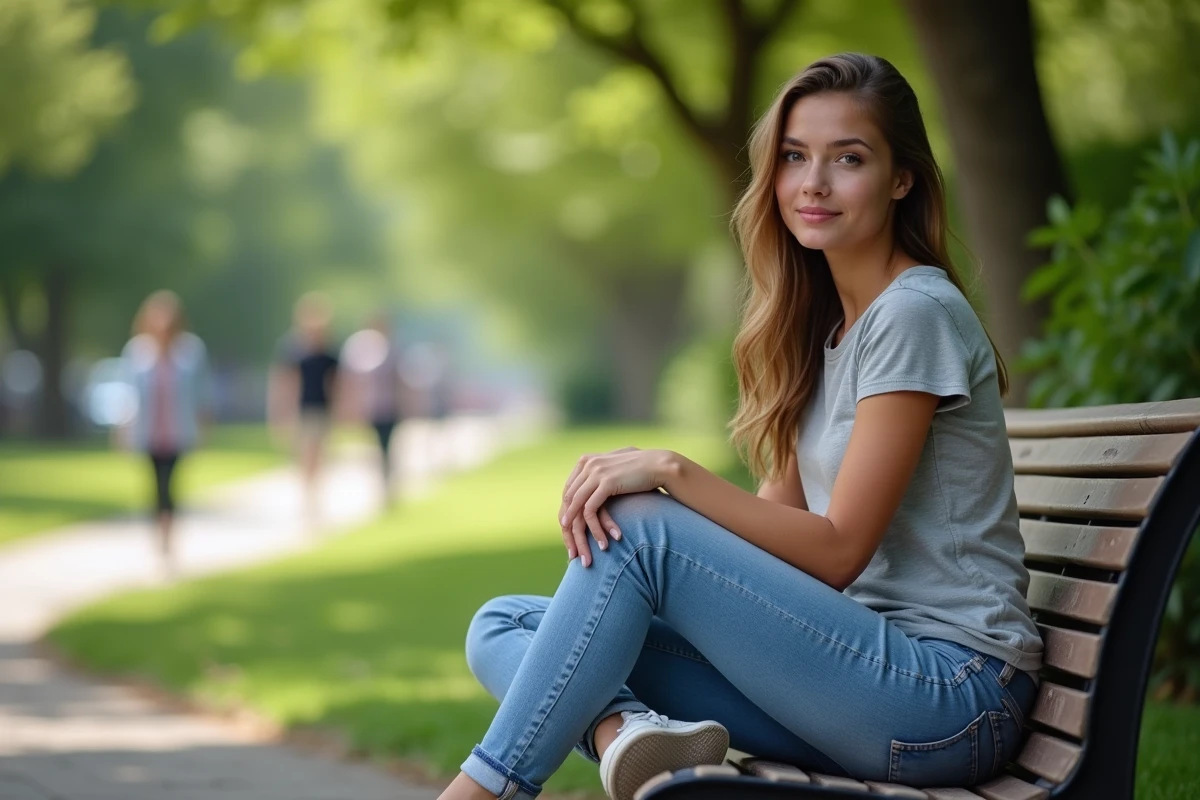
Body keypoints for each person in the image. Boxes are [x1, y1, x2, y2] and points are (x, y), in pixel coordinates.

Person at [440, 53, 1043, 800]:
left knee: (642, 528)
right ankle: (623, 733)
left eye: (847, 159)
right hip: (854, 682)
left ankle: (478, 793)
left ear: (901, 178)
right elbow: (770, 538)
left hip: (949, 697)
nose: (813, 182)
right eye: (794, 157)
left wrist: (670, 476)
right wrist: (665, 577)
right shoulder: (827, 331)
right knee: (506, 624)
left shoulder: (912, 313)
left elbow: (837, 553)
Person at [121, 290, 210, 573]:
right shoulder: (137, 352)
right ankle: (159, 533)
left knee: (169, 484)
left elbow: (200, 393)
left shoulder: (190, 352)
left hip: (177, 431)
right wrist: (123, 428)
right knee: (154, 485)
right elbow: (128, 396)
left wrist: (204, 425)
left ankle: (168, 535)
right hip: (148, 432)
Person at [268, 292, 340, 522]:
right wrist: (281, 412)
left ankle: (315, 497)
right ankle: (307, 498)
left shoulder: (329, 353)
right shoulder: (293, 350)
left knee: (319, 455)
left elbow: (335, 384)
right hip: (301, 409)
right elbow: (284, 382)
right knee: (306, 454)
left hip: (322, 409)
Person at [340, 314, 406, 506]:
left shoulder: (393, 352)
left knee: (388, 448)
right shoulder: (362, 350)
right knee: (373, 450)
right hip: (370, 408)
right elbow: (351, 381)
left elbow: (400, 382)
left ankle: (388, 486)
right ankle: (379, 486)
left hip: (389, 407)